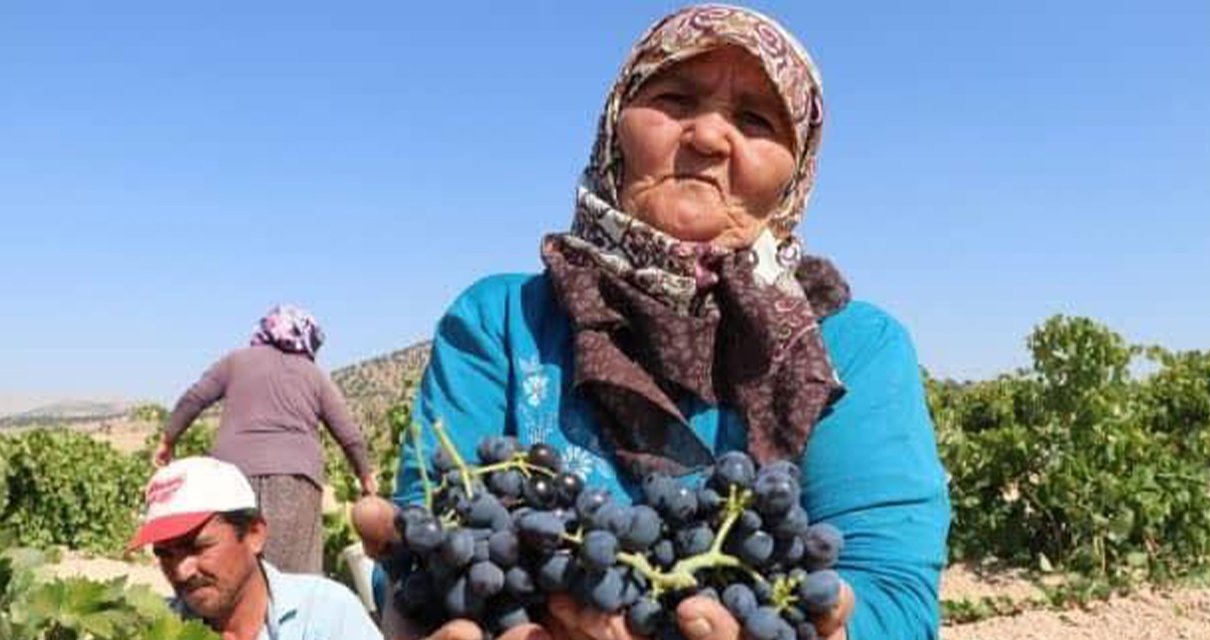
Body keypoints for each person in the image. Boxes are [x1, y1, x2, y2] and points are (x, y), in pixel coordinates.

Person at [376, 5, 950, 639]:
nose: (708, 138)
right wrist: (414, 593)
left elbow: (893, 598)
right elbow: (425, 543)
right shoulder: (501, 320)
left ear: (796, 172)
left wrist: (836, 629)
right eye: (675, 99)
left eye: (756, 120)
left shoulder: (852, 346)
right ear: (615, 125)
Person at [155, 304, 377, 574]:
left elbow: (194, 398)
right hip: (295, 480)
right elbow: (348, 433)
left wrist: (168, 440)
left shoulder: (235, 361)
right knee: (293, 574)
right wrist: (365, 475)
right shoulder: (314, 376)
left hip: (233, 478)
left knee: (233, 566)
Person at [129, 456, 383, 639]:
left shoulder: (325, 612)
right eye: (165, 554)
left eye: (198, 548)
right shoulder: (156, 627)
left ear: (254, 535)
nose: (182, 571)